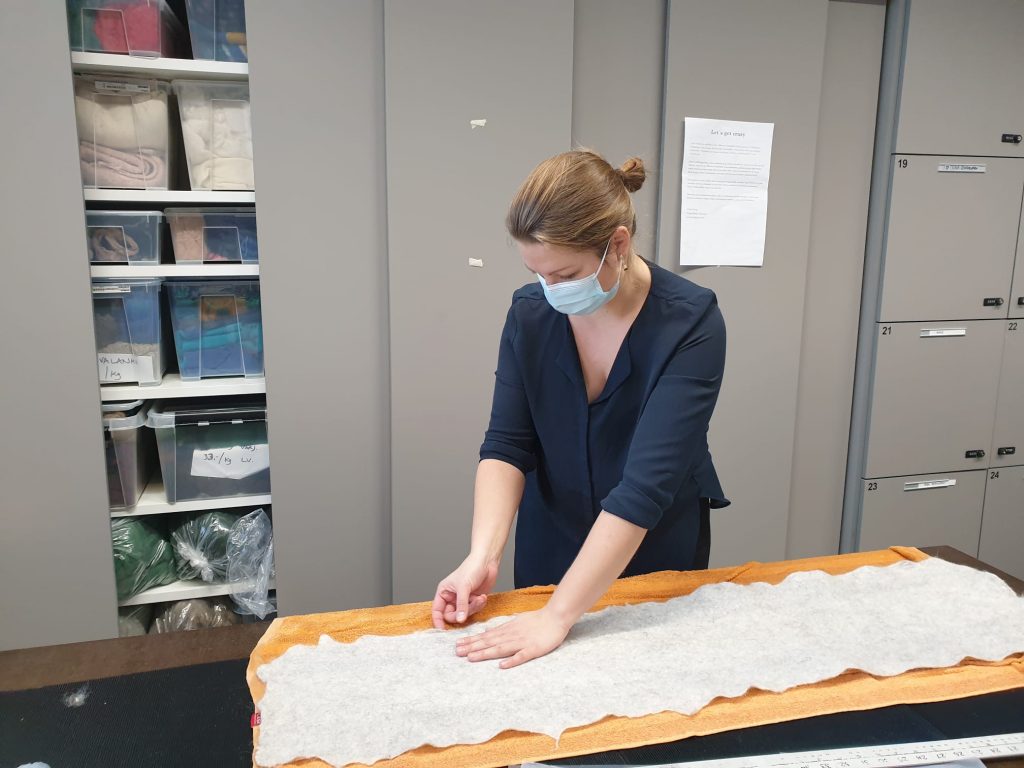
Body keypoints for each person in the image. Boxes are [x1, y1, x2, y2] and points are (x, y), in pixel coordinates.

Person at [431, 149, 729, 668]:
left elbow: (644, 489)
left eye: (566, 274)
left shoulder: (690, 323)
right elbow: (507, 445)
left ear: (618, 245)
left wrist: (558, 615)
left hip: (651, 543)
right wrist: (482, 555)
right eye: (538, 274)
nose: (551, 291)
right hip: (552, 533)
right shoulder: (531, 315)